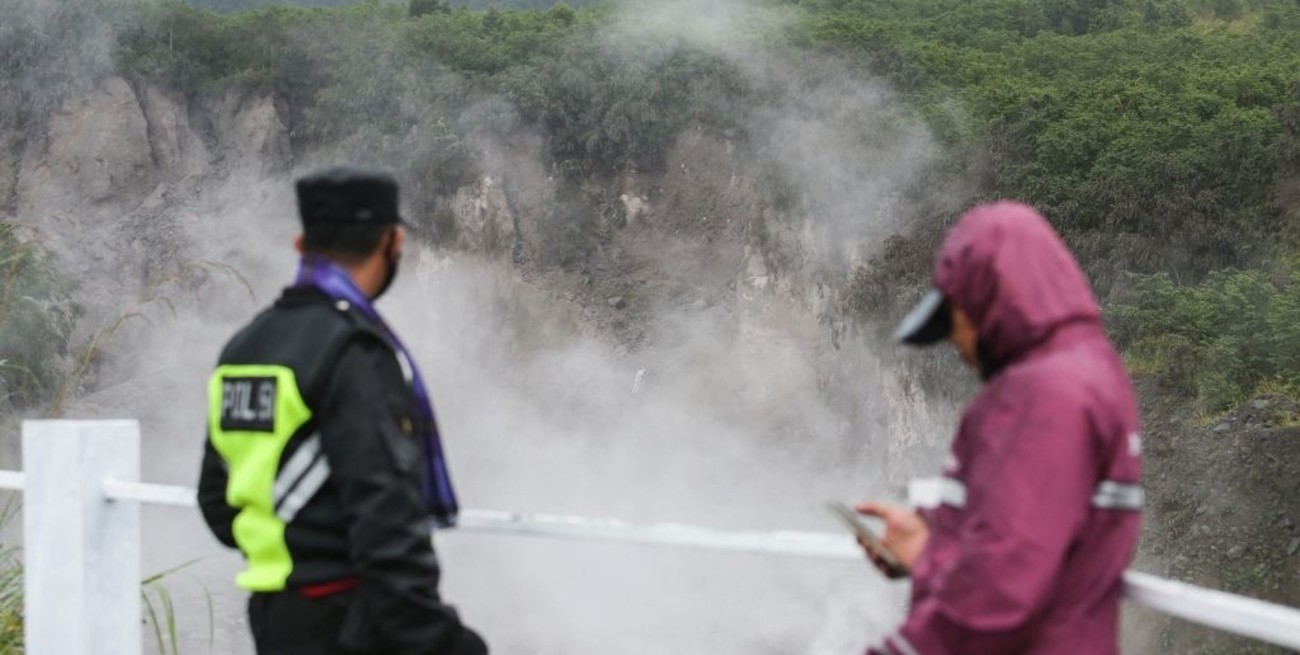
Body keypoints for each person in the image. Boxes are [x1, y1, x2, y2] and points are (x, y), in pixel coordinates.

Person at [197, 166, 488, 655]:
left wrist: (290, 544)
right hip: (348, 621)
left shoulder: (244, 346)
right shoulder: (352, 351)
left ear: (299, 245)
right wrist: (439, 640)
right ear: (392, 243)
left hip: (274, 616)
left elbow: (217, 502)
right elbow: (386, 518)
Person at [858, 201, 1143, 655]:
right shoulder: (1086, 373)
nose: (952, 341)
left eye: (951, 320)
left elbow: (1002, 583)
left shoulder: (1049, 393)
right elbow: (1029, 532)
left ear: (985, 298)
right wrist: (927, 547)